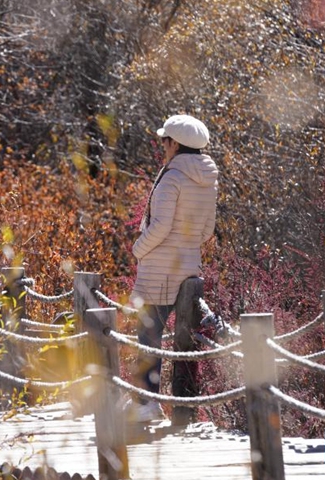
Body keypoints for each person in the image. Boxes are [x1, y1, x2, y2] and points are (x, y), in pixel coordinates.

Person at [126, 114, 219, 422]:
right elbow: (207, 230)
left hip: (159, 266)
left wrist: (138, 249)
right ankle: (184, 410)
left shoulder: (172, 176)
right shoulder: (208, 179)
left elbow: (161, 225)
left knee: (149, 335)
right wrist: (186, 242)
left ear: (174, 143)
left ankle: (147, 404)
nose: (162, 145)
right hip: (189, 264)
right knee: (185, 339)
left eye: (164, 140)